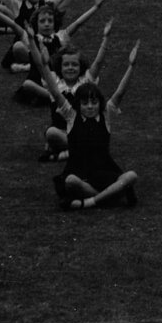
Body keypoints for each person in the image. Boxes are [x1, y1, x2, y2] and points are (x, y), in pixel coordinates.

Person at [54, 48, 141, 211]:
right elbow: (54, 91)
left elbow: (120, 92)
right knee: (71, 181)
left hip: (104, 171)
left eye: (93, 102)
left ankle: (90, 202)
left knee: (131, 176)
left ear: (99, 103)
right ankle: (112, 196)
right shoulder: (72, 116)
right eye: (85, 103)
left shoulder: (106, 114)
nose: (90, 106)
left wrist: (131, 66)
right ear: (78, 105)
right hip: (79, 171)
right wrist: (42, 63)